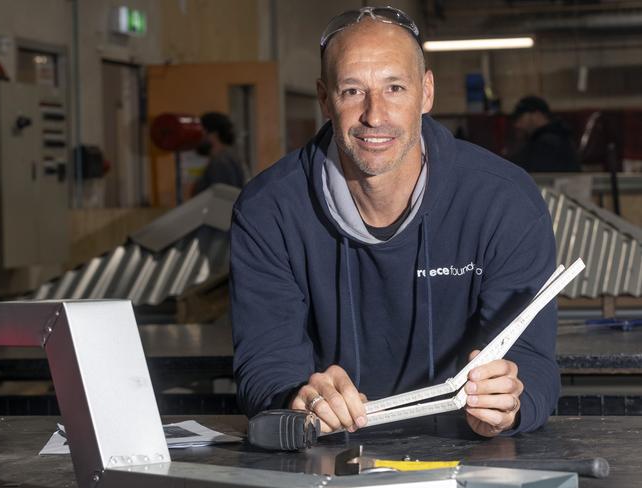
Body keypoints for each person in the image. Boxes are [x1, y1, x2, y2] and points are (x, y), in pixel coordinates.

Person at [230, 6, 559, 438]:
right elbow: (265, 364)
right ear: (325, 99)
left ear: (426, 93)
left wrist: (508, 406)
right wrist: (297, 399)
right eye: (352, 91)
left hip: (469, 451)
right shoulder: (267, 210)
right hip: (331, 454)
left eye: (395, 88)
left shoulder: (503, 200)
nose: (374, 115)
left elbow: (532, 360)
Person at [508, 95, 581, 173]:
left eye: (520, 118)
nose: (517, 125)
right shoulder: (558, 136)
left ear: (537, 115)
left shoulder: (548, 143)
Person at [192, 112, 247, 195]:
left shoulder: (220, 163)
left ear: (213, 134)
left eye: (201, 132)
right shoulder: (230, 156)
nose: (198, 138)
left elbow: (223, 198)